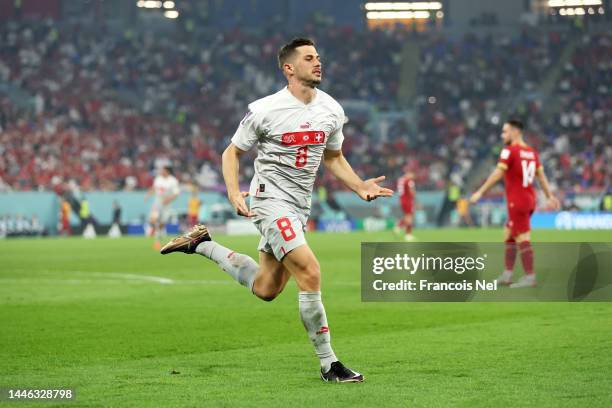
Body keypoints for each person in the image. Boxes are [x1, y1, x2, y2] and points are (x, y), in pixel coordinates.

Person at [160, 38, 393, 382]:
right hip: (270, 201)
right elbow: (231, 153)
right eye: (309, 58)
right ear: (289, 68)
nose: (318, 63)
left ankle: (202, 243)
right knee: (310, 272)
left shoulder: (331, 109)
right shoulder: (265, 109)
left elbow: (333, 157)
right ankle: (330, 364)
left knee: (267, 288)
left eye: (318, 57)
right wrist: (233, 192)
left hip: (299, 206)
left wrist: (360, 186)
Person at [470, 119, 560, 288]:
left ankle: (530, 276)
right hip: (529, 198)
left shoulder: (509, 151)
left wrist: (480, 192)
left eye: (505, 131)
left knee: (522, 237)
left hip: (517, 201)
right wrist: (549, 196)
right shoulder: (532, 152)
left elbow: (497, 174)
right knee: (509, 234)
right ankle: (507, 274)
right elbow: (540, 176)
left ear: (515, 132)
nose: (502, 135)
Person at [146, 165, 180, 250]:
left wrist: (169, 200)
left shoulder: (173, 181)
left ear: (167, 171)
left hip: (167, 203)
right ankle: (156, 233)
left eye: (163, 170)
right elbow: (154, 188)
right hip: (158, 201)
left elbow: (176, 193)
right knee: (152, 219)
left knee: (163, 222)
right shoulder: (158, 178)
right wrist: (148, 194)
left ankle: (159, 235)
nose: (161, 172)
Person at [396, 168, 416, 241]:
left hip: (401, 200)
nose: (413, 177)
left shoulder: (400, 180)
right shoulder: (409, 181)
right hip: (408, 200)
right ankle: (408, 234)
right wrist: (416, 200)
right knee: (409, 217)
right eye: (413, 175)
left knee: (407, 216)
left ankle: (398, 226)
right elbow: (412, 191)